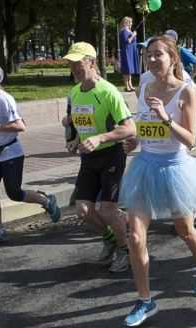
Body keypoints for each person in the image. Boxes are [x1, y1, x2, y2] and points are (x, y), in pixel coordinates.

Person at [119, 36, 196, 327]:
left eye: (158, 55)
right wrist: (135, 141)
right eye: (148, 55)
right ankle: (145, 300)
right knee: (136, 236)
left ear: (173, 59)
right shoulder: (144, 85)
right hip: (144, 166)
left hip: (176, 168)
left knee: (185, 230)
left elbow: (189, 141)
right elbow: (141, 122)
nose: (151, 60)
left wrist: (166, 118)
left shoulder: (186, 91)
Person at [0, 64, 61, 246]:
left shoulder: (5, 100)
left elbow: (21, 126)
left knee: (14, 193)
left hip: (11, 154)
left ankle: (46, 200)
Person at [63, 42, 135, 273]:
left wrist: (100, 138)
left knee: (106, 209)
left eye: (78, 62)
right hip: (89, 158)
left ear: (91, 62)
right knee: (83, 210)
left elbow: (130, 128)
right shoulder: (74, 92)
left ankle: (125, 249)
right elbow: (79, 121)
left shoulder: (108, 91)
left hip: (111, 155)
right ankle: (110, 238)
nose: (73, 67)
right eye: (71, 63)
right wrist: (76, 139)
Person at [119, 16, 140, 92]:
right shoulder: (124, 31)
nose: (131, 23)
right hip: (126, 51)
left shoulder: (129, 30)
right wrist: (134, 35)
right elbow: (128, 41)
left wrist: (133, 34)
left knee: (130, 69)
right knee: (126, 69)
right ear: (126, 22)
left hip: (131, 51)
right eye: (130, 22)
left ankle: (130, 84)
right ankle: (126, 85)